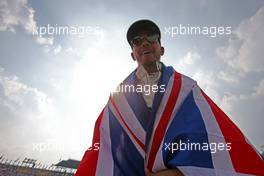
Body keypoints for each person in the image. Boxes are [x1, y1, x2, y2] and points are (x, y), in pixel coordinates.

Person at [75, 20, 264, 176]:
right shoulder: (117, 102)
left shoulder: (186, 88)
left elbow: (214, 140)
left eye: (151, 37)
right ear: (133, 54)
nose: (145, 42)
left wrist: (179, 172)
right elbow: (104, 151)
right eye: (137, 40)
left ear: (161, 49)